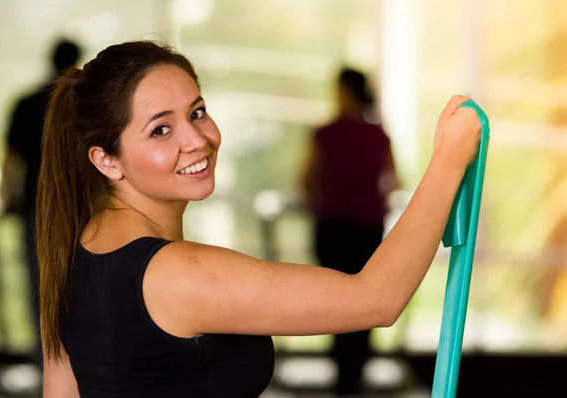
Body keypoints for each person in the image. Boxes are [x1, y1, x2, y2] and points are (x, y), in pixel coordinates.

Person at [37, 40, 481, 398]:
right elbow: (376, 299)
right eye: (161, 129)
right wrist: (449, 159)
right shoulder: (179, 273)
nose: (197, 139)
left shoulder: (71, 253)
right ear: (106, 160)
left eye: (197, 113)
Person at [298, 67, 399, 395]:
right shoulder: (379, 135)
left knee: (335, 300)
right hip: (368, 226)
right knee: (368, 298)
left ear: (344, 91)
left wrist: (319, 199)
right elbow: (395, 180)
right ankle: (355, 376)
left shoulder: (326, 133)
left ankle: (344, 378)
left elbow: (306, 179)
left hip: (334, 227)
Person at [2, 39, 81, 364]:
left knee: (42, 287)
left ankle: (47, 364)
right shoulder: (85, 103)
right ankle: (84, 362)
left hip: (37, 206)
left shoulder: (27, 102)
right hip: (80, 207)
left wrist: (6, 198)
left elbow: (9, 159)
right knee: (83, 282)